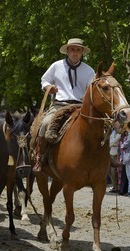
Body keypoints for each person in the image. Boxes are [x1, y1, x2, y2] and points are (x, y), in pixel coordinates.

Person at [33, 38, 95, 172]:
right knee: (45, 123)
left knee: (101, 126)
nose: (75, 53)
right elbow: (44, 80)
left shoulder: (89, 71)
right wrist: (49, 87)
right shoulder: (56, 66)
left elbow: (92, 90)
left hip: (80, 106)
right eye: (72, 49)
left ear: (82, 52)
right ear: (67, 51)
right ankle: (40, 157)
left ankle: (102, 159)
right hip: (60, 105)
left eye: (78, 50)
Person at [109, 122, 122, 192]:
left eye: (117, 124)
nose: (116, 125)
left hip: (117, 153)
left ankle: (117, 186)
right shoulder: (113, 132)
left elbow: (114, 141)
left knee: (116, 171)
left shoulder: (120, 132)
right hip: (111, 152)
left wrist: (110, 144)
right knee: (111, 171)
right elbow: (110, 140)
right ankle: (114, 185)